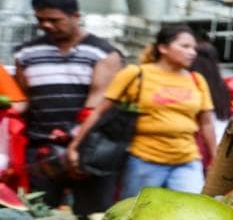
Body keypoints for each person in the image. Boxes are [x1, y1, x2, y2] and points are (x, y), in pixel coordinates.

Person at [71, 25, 217, 195]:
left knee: (192, 208)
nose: (192, 52)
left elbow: (207, 123)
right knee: (138, 208)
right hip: (144, 160)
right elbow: (100, 111)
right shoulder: (135, 74)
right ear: (163, 48)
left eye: (193, 48)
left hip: (188, 160)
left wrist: (216, 158)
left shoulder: (197, 80)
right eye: (185, 46)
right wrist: (75, 146)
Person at [14, 0, 122, 214]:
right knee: (36, 216)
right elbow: (23, 99)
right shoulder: (26, 53)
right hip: (41, 150)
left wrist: (75, 145)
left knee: (93, 217)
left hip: (88, 151)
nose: (46, 25)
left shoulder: (103, 53)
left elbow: (98, 105)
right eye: (40, 19)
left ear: (76, 16)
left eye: (55, 20)